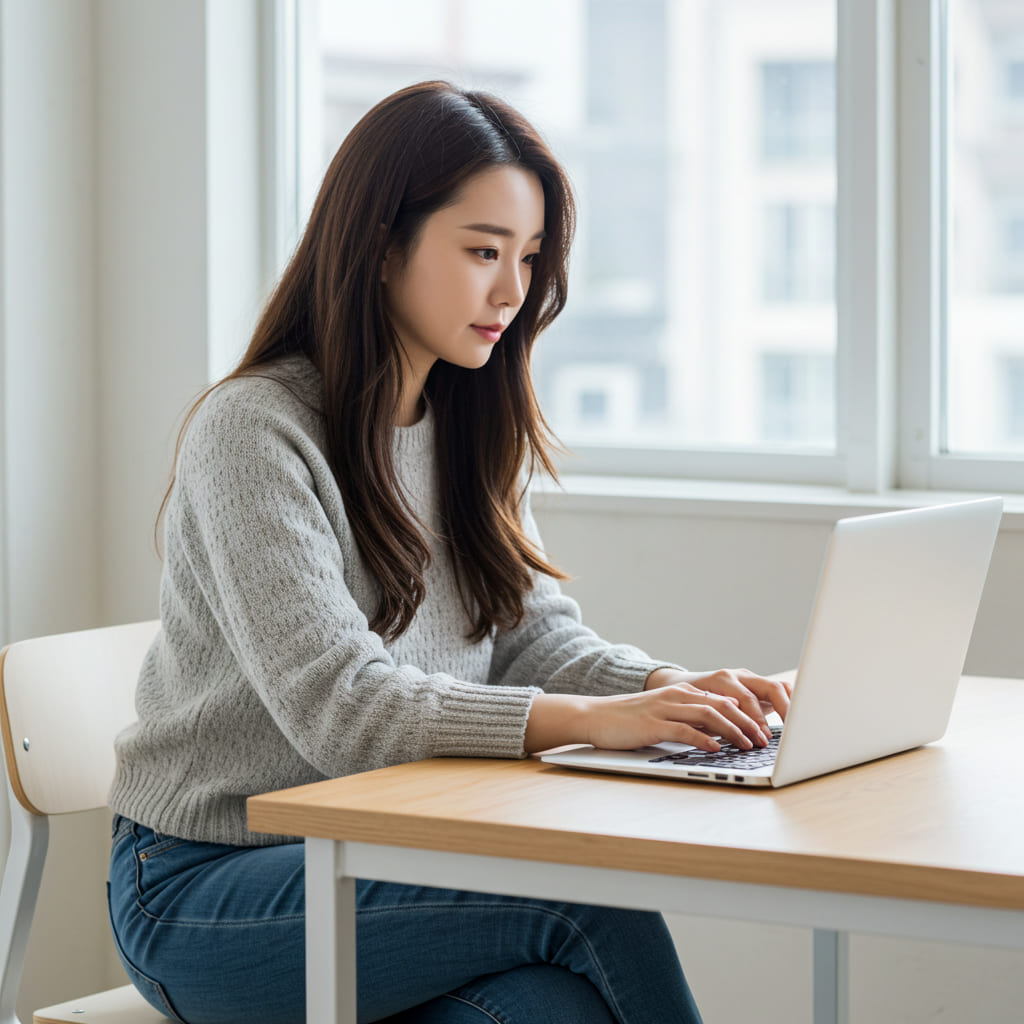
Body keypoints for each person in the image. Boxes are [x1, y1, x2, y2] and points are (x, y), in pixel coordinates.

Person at [107, 80, 791, 1024]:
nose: (513, 291)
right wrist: (595, 722)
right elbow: (344, 708)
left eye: (530, 257)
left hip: (382, 853)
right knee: (582, 893)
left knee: (553, 1007)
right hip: (204, 886)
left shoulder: (471, 421)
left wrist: (669, 693)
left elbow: (531, 638)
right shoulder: (255, 430)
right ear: (383, 246)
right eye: (483, 251)